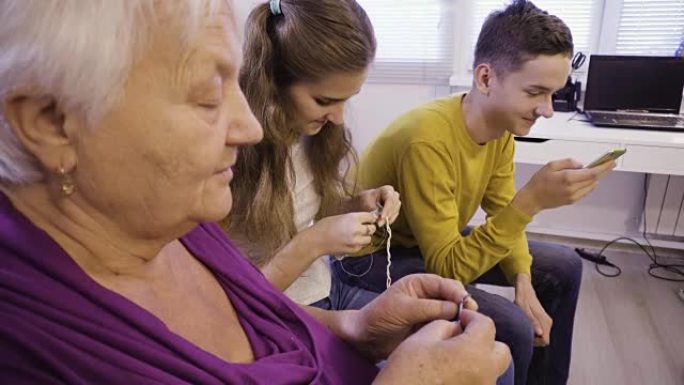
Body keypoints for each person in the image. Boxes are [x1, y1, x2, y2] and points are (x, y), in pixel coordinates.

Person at [0, 1, 512, 384]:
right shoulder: (38, 343)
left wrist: (355, 325)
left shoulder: (180, 222)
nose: (246, 128)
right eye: (206, 97)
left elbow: (250, 315)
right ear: (51, 123)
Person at [336, 1, 616, 385]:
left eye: (553, 94)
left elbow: (502, 211)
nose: (547, 110)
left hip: (428, 241)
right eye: (536, 92)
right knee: (512, 325)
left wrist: (523, 281)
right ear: (485, 78)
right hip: (373, 256)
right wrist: (532, 200)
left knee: (564, 265)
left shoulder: (500, 130)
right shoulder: (427, 141)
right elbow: (447, 265)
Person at [223, 0, 400, 311]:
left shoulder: (314, 136)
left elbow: (306, 215)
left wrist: (357, 206)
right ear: (274, 81)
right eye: (324, 100)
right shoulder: (227, 156)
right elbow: (235, 301)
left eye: (348, 99)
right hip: (271, 311)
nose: (339, 117)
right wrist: (315, 241)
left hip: (326, 289)